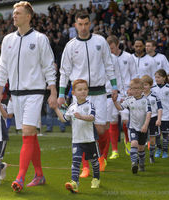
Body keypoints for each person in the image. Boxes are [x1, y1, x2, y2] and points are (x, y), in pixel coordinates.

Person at [0, 1, 57, 192]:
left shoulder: (40, 39)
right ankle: (39, 175)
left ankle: (20, 178)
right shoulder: (7, 40)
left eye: (18, 13)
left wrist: (52, 92)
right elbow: (2, 69)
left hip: (35, 93)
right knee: (30, 137)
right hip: (15, 95)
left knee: (28, 133)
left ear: (28, 16)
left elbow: (49, 66)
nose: (14, 16)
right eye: (13, 13)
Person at [58, 12, 118, 173]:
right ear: (75, 25)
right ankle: (85, 167)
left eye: (86, 24)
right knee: (82, 132)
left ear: (90, 24)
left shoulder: (100, 41)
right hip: (80, 94)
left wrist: (114, 86)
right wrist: (61, 94)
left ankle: (101, 157)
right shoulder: (71, 45)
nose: (83, 27)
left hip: (99, 92)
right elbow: (64, 71)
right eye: (80, 24)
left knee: (101, 129)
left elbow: (109, 64)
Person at [54, 79, 100, 193]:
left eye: (85, 89)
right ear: (73, 92)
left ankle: (96, 178)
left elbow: (92, 117)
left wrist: (82, 117)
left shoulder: (90, 105)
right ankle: (74, 183)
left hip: (90, 139)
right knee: (76, 162)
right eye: (80, 90)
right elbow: (64, 119)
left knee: (94, 161)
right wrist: (55, 108)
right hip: (77, 140)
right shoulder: (72, 107)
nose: (83, 92)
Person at [113, 78, 152, 174]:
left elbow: (148, 114)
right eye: (133, 88)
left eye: (138, 88)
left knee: (141, 148)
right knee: (134, 143)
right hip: (133, 127)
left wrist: (145, 125)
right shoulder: (129, 100)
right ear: (130, 90)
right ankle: (134, 163)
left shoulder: (146, 100)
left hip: (143, 128)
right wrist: (114, 101)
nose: (135, 91)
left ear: (142, 89)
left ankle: (141, 164)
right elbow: (120, 108)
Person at [107, 35, 137, 157]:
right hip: (110, 93)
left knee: (126, 120)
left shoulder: (128, 57)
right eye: (109, 49)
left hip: (125, 93)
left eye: (113, 48)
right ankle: (114, 150)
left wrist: (132, 89)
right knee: (112, 121)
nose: (111, 51)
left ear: (118, 44)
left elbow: (134, 74)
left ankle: (128, 142)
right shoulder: (106, 59)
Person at [152, 69, 169, 159]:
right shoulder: (153, 88)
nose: (156, 79)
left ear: (164, 78)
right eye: (155, 77)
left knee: (165, 134)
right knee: (157, 134)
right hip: (156, 115)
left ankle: (165, 151)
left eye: (158, 77)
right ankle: (158, 149)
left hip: (166, 115)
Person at [141, 75, 162, 163]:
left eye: (146, 85)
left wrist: (159, 119)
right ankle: (141, 157)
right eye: (142, 85)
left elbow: (160, 108)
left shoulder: (155, 96)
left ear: (150, 85)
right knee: (142, 139)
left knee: (152, 139)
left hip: (153, 118)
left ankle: (151, 156)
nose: (144, 87)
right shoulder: (139, 96)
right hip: (143, 120)